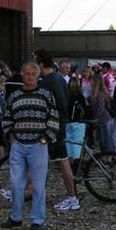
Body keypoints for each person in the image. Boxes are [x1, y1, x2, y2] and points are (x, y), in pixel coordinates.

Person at [0, 62, 60, 230]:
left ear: (38, 75)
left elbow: (53, 117)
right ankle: (16, 217)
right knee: (16, 183)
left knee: (38, 185)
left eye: (33, 74)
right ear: (22, 75)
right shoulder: (15, 95)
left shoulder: (46, 95)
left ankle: (37, 219)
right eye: (27, 73)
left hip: (37, 145)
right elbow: (7, 116)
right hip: (18, 144)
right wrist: (10, 134)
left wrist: (45, 138)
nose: (30, 77)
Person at [35, 50, 80, 211]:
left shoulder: (48, 81)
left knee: (62, 161)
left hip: (54, 125)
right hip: (58, 123)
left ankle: (72, 198)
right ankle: (29, 191)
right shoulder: (58, 78)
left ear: (40, 63)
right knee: (46, 159)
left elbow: (57, 103)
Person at [90, 74, 113, 151]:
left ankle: (108, 158)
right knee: (102, 140)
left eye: (92, 80)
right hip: (100, 120)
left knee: (107, 140)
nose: (90, 81)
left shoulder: (100, 93)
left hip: (104, 119)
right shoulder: (93, 92)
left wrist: (95, 118)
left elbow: (101, 108)